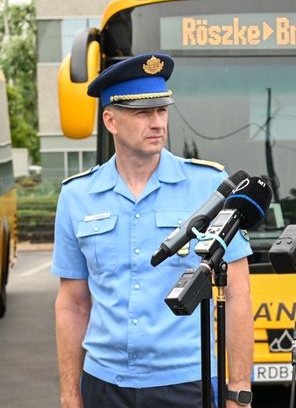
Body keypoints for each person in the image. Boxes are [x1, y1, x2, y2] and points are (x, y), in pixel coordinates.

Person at [53, 53, 254, 408]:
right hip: (104, 384)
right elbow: (72, 304)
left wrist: (238, 390)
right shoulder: (76, 196)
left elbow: (237, 293)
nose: (158, 122)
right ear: (111, 120)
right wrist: (70, 395)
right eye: (142, 113)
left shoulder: (211, 187)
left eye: (162, 111)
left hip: (188, 382)